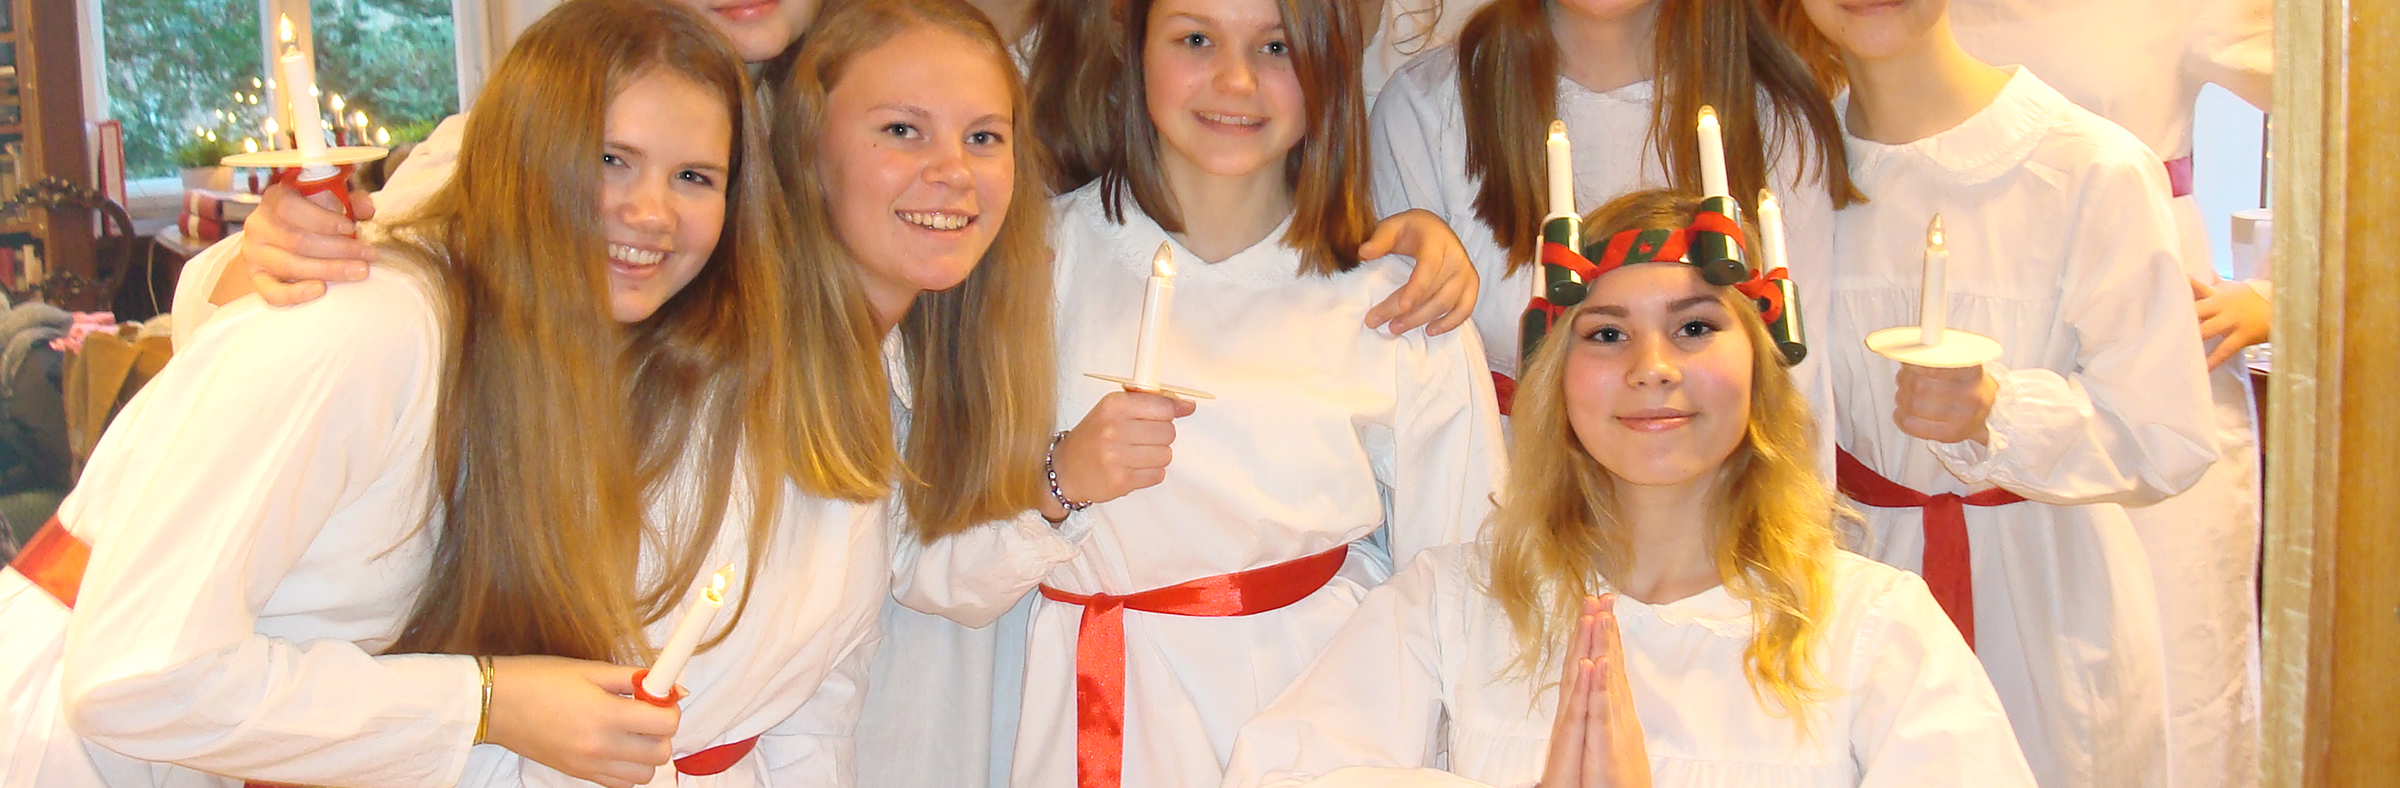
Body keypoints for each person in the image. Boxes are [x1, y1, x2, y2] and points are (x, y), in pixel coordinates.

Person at [0, 1, 892, 785]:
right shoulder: (371, 330)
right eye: (610, 159)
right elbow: (133, 679)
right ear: (523, 153)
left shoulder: (549, 344)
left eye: (693, 177)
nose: (651, 212)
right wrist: (491, 702)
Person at [1223, 188, 2036, 788]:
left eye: (1695, 328)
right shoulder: (1457, 605)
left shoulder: (1873, 628)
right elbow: (1283, 773)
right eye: (1608, 333)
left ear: (1760, 367)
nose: (1652, 368)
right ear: (1557, 380)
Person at [896, 0, 1508, 785]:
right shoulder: (1029, 265)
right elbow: (932, 567)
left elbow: (1468, 586)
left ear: (1328, 59)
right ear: (1135, 46)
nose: (1236, 81)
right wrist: (1059, 480)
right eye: (1195, 39)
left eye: (1276, 47)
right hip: (1104, 712)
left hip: (1323, 719)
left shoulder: (1396, 301)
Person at [1789, 0, 2221, 784]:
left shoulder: (2088, 168)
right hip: (1848, 590)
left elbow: (2168, 435)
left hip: (2042, 605)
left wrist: (2000, 414)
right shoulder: (1790, 173)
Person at [1945, 5, 2273, 785]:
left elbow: (2363, 109)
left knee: (2175, 677)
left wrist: (2278, 292)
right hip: (1965, 364)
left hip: (2145, 377)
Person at [1368, 0, 1857, 465]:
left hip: (1711, 514)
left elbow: (1792, 397)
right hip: (1497, 503)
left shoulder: (1774, 116)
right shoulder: (1427, 109)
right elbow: (1411, 400)